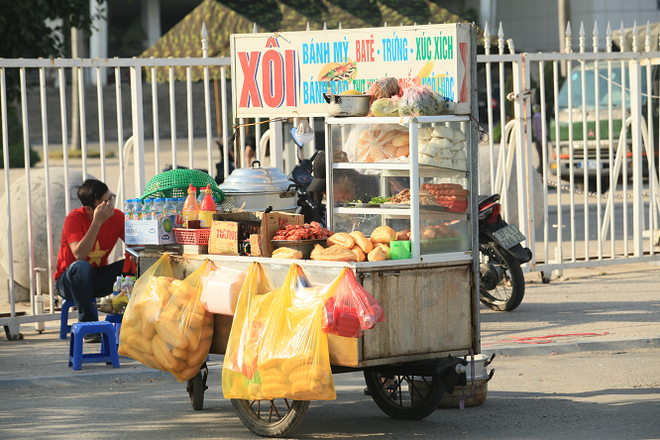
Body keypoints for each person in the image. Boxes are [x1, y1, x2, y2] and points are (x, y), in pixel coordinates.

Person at [54, 179, 134, 343]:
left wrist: (133, 257)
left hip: (97, 279)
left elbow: (135, 245)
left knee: (137, 263)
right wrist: (97, 222)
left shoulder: (117, 216)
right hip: (69, 281)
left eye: (110, 198)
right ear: (89, 208)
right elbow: (80, 255)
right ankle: (89, 326)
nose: (110, 204)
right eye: (104, 202)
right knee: (81, 267)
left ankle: (133, 321)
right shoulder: (74, 218)